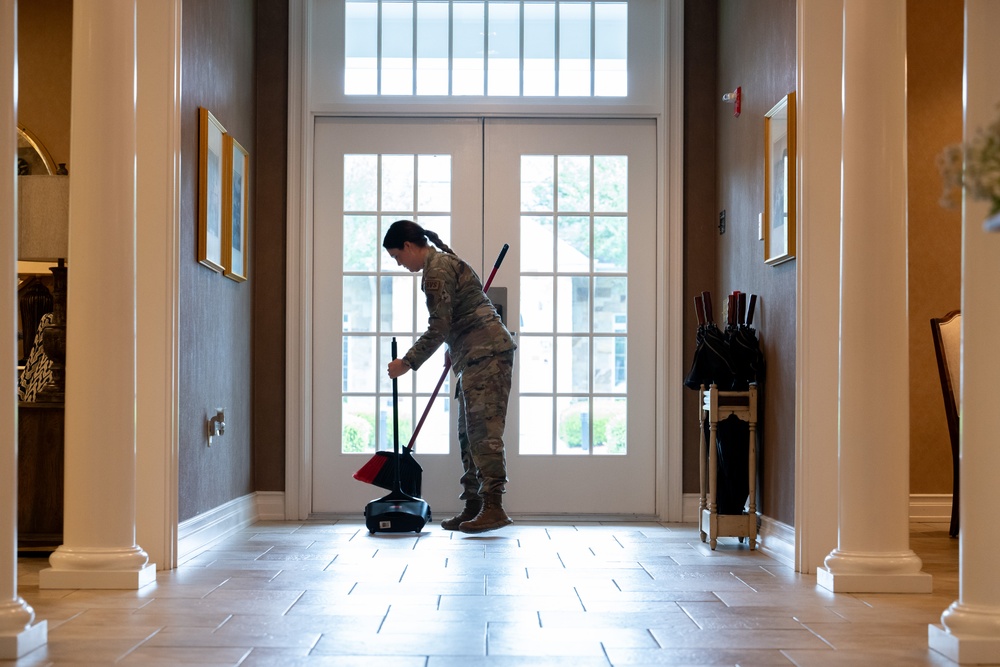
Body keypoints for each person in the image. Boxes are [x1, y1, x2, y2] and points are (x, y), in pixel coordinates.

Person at [383, 219, 516, 534]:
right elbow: (458, 315)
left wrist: (407, 362)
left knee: (483, 433)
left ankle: (493, 508)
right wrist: (453, 345)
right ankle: (473, 505)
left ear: (409, 246)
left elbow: (439, 325)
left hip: (486, 353)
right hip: (472, 353)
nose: (400, 264)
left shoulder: (437, 270)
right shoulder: (440, 264)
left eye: (397, 256)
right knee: (467, 433)